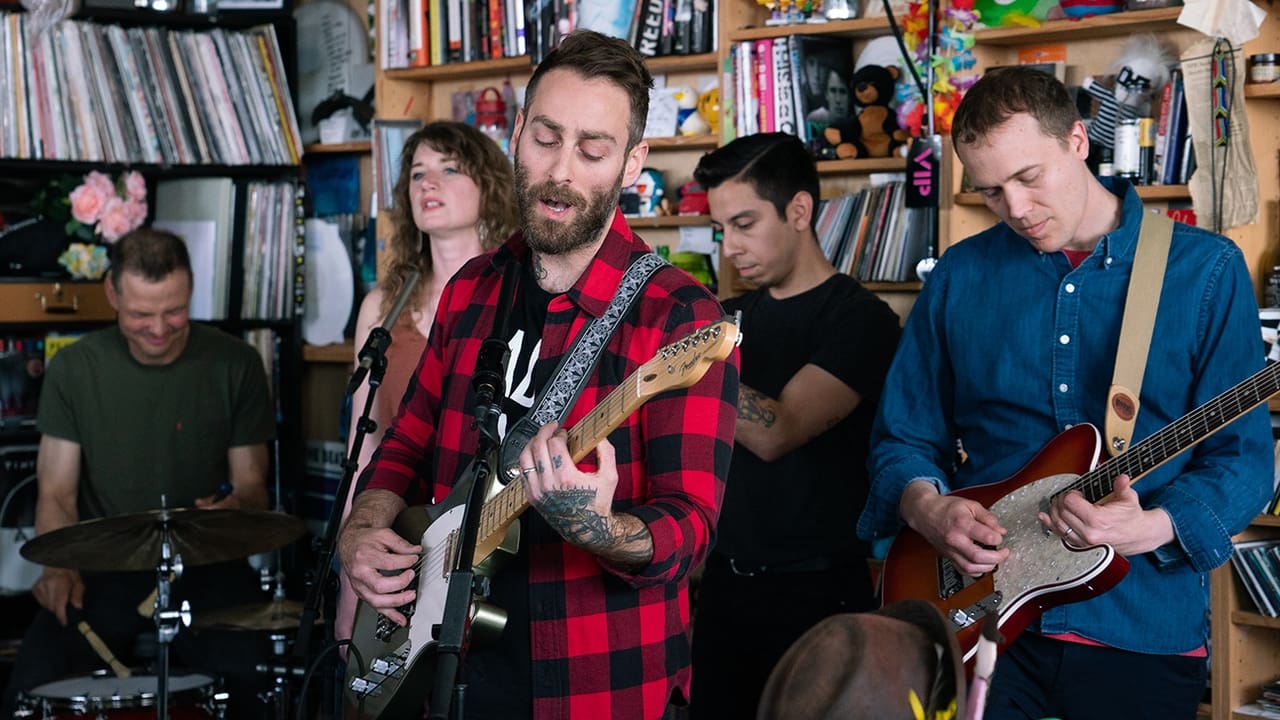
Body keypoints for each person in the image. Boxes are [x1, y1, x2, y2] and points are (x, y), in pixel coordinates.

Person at [337, 29, 739, 720]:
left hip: (594, 687)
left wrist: (597, 526)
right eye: (547, 137)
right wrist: (362, 531)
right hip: (444, 672)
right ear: (517, 132)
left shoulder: (678, 317)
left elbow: (690, 529)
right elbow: (405, 444)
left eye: (593, 150)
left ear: (633, 161)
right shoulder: (470, 289)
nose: (561, 171)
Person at [857, 65, 1272, 719]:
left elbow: (1245, 459)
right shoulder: (960, 275)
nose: (1016, 209)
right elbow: (906, 435)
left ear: (1078, 141)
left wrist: (1154, 525)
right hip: (980, 617)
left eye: (1028, 178)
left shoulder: (1206, 270)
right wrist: (927, 510)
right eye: (992, 192)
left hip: (1139, 628)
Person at [0, 228, 278, 718]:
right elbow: (57, 492)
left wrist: (233, 509)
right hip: (102, 570)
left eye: (173, 311)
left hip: (207, 568)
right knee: (34, 681)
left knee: (250, 687)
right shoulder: (73, 369)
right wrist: (58, 567)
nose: (158, 328)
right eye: (140, 314)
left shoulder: (237, 363)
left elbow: (253, 485)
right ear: (111, 293)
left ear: (191, 289)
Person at [687, 132, 901, 719]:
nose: (730, 246)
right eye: (721, 229)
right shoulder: (727, 321)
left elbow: (778, 431)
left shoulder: (862, 321)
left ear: (799, 211)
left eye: (745, 223)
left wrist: (680, 357)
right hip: (725, 590)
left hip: (818, 594)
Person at [334, 120, 519, 645]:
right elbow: (363, 444)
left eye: (449, 169)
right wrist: (352, 568)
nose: (427, 184)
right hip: (394, 530)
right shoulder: (383, 305)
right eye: (416, 174)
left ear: (490, 187)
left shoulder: (514, 296)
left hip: (481, 534)